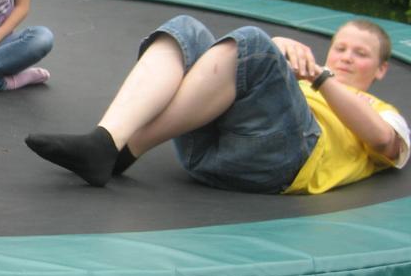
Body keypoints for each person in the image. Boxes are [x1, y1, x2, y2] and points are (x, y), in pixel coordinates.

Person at [25, 14, 408, 194]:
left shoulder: (381, 108)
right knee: (185, 29)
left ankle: (123, 149)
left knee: (254, 43)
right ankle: (109, 141)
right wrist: (281, 50)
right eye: (340, 48)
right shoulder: (299, 82)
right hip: (209, 151)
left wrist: (321, 78)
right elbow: (245, 75)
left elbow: (382, 142)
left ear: (380, 69)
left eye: (360, 54)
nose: (345, 57)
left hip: (288, 162)